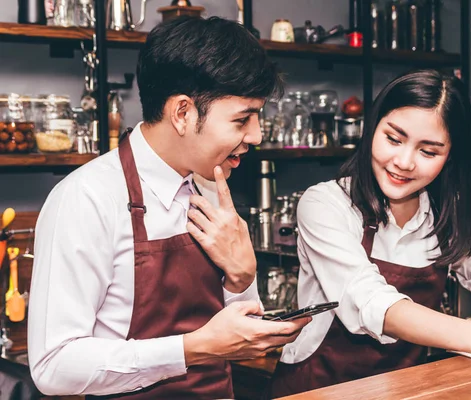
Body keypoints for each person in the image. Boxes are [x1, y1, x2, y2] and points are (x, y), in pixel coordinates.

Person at [270, 70, 471, 397]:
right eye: (393, 138)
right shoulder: (326, 204)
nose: (404, 161)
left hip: (406, 390)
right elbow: (373, 303)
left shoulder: (455, 211)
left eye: (428, 152)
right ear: (372, 128)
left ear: (450, 156)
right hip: (318, 390)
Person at [27, 16, 310, 398]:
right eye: (243, 119)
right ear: (182, 113)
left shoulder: (212, 185)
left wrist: (242, 277)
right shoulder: (87, 198)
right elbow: (54, 365)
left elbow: (235, 333)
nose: (256, 135)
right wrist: (192, 348)